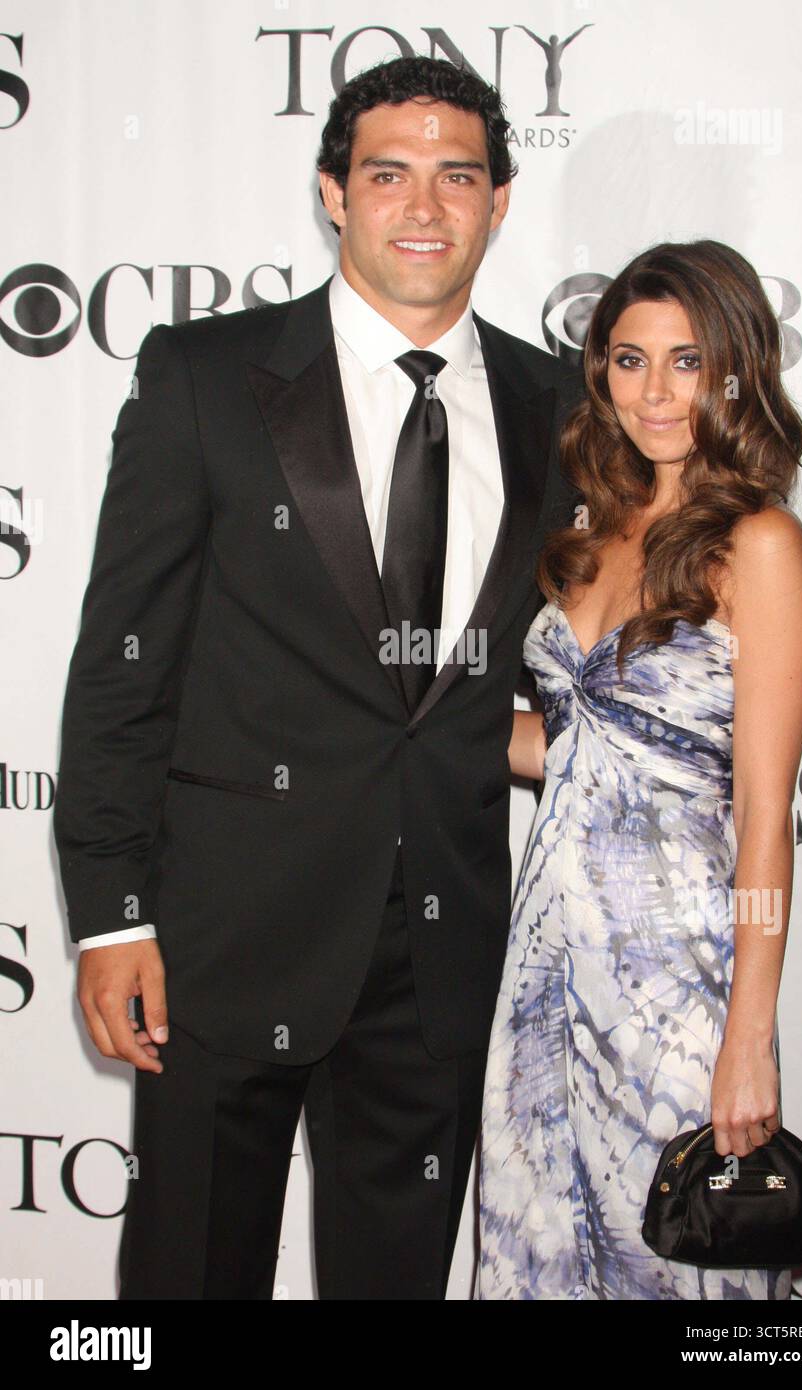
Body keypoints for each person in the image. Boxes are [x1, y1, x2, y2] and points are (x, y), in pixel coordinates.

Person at [52, 55, 583, 1299]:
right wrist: (113, 911)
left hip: (440, 945)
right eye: (387, 174)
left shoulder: (555, 404)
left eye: (457, 177)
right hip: (222, 933)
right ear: (331, 194)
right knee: (189, 1275)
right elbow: (124, 664)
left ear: (498, 203)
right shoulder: (203, 377)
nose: (422, 207)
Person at [478, 239, 802, 1300]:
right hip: (541, 970)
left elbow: (763, 820)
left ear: (733, 372)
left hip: (667, 984)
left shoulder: (758, 543)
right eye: (628, 361)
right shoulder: (594, 527)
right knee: (538, 1260)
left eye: (685, 361)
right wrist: (399, 717)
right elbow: (571, 747)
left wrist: (746, 1038)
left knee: (665, 1274)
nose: (654, 391)